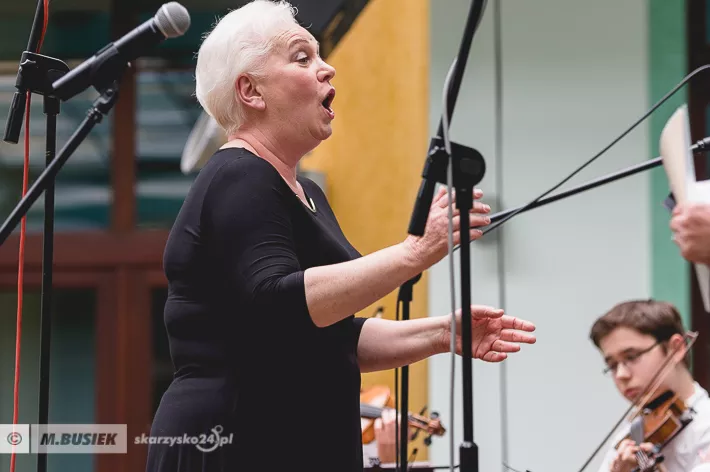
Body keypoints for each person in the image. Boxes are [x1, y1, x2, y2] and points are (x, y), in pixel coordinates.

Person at [145, 1, 537, 472]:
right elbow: (279, 303)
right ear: (250, 91)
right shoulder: (239, 175)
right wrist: (415, 252)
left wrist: (443, 332)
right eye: (302, 57)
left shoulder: (304, 191)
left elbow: (326, 334)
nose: (327, 68)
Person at [589, 300, 710, 472]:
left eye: (632, 357)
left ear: (676, 348)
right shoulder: (626, 440)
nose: (621, 374)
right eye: (612, 365)